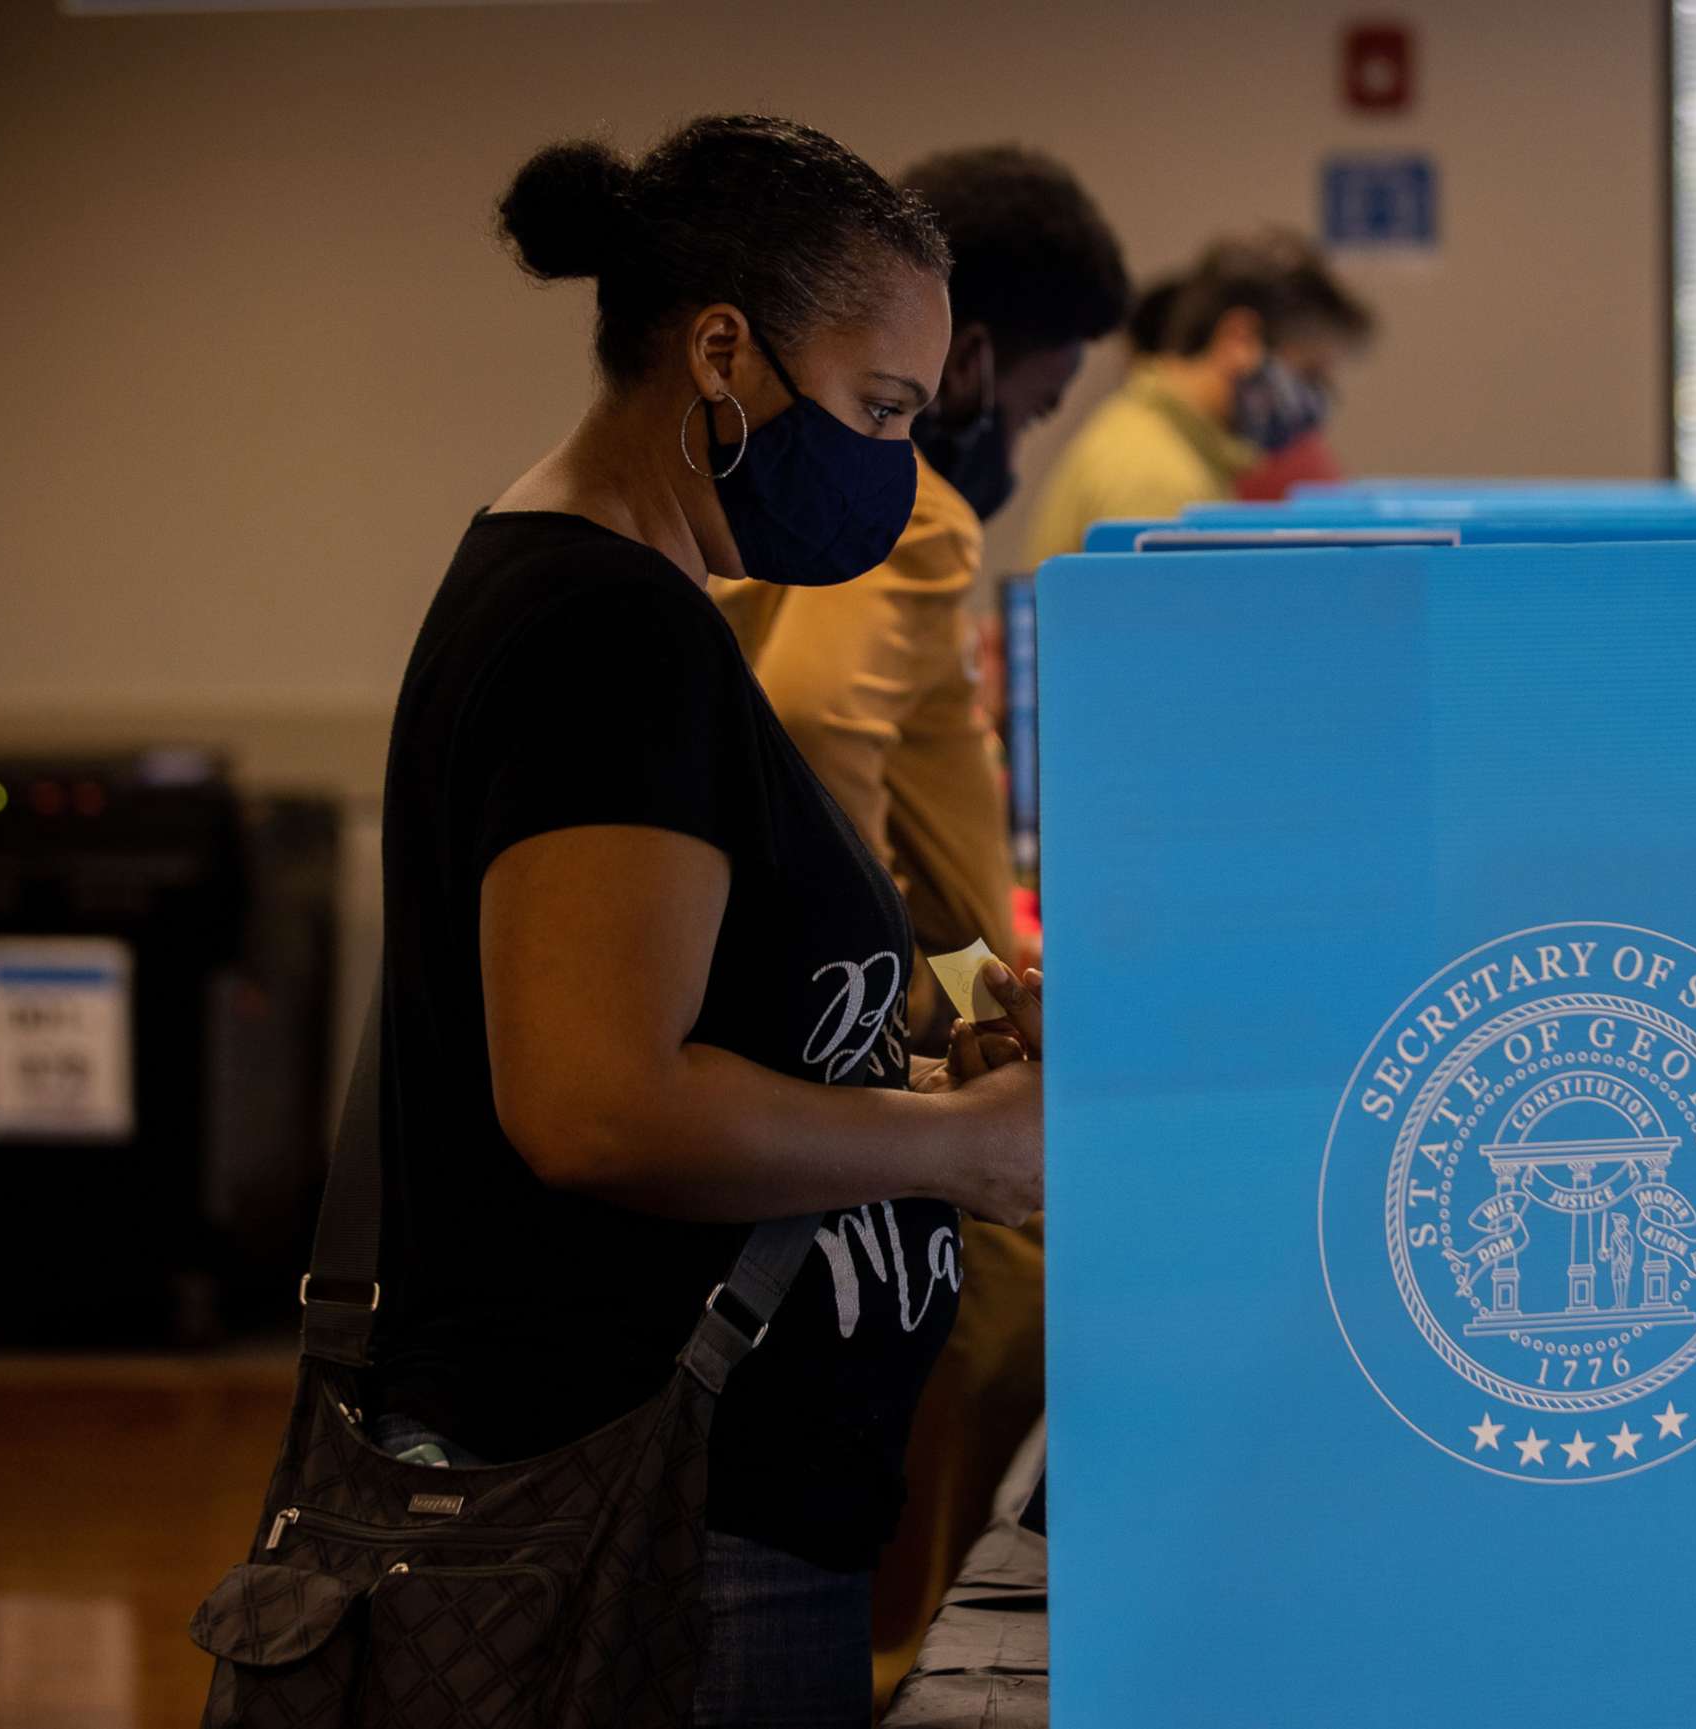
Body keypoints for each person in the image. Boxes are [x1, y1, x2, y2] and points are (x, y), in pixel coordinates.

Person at [369, 115, 1042, 1726]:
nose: (896, 460)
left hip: (717, 1508)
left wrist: (938, 1025)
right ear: (723, 352)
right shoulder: (606, 634)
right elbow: (600, 1103)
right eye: (880, 408)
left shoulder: (639, 607)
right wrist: (958, 1150)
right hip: (665, 1529)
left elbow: (742, 982)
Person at [706, 143, 1128, 1709]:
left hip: (875, 1008)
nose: (1020, 440)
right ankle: (915, 1663)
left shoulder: (799, 505)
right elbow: (818, 732)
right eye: (1032, 402)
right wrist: (912, 998)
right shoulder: (918, 511)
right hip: (872, 1048)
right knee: (1000, 1290)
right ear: (966, 360)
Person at [1023, 228, 1373, 563]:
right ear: (1240, 337)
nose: (1316, 400)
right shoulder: (1158, 477)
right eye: (1309, 372)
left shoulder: (1165, 438)